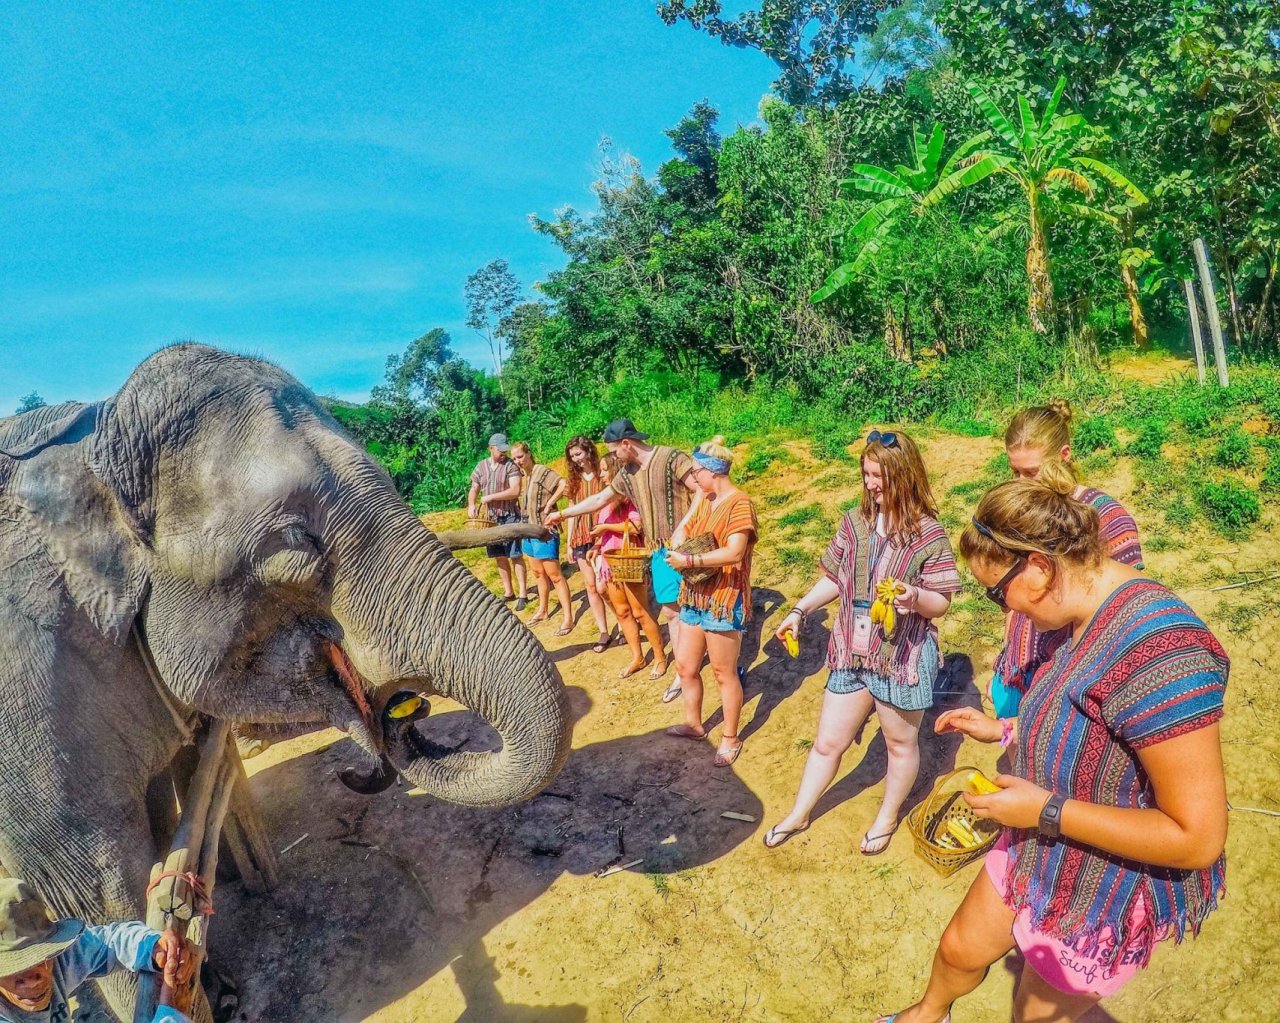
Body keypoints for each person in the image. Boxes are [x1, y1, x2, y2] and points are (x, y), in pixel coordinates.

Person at [874, 479, 1228, 1023]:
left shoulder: (1162, 653)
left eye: (997, 592)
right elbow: (1092, 727)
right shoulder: (1080, 614)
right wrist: (1005, 732)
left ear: (1038, 567)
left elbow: (1197, 838)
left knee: (1033, 1015)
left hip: (1101, 883)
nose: (1003, 610)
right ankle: (927, 1013)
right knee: (959, 949)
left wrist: (1045, 810)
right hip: (1041, 842)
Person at [766, 429, 961, 853]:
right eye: (867, 474)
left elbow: (941, 602)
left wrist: (914, 597)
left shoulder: (929, 535)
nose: (871, 484)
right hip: (852, 654)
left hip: (900, 657)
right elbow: (834, 578)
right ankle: (800, 813)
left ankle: (887, 818)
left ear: (905, 477)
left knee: (899, 743)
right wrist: (799, 611)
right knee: (827, 742)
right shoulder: (854, 523)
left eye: (880, 476)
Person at [992, 401, 1144, 718]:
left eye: (1032, 472)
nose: (1021, 483)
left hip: (1069, 680)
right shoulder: (1020, 511)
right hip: (1018, 669)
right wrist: (1009, 637)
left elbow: (1124, 608)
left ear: (1064, 455)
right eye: (1014, 471)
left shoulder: (1103, 517)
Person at [547, 419, 698, 684]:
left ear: (626, 443)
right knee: (672, 612)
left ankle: (700, 659)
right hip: (658, 552)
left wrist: (684, 526)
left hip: (688, 546)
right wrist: (562, 514)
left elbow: (700, 490)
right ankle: (684, 672)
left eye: (615, 450)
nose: (614, 456)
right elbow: (599, 499)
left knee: (694, 606)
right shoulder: (628, 473)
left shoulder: (672, 457)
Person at [662, 437, 758, 767]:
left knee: (722, 672)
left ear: (711, 471)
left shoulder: (739, 504)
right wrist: (681, 531)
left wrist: (689, 563)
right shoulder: (707, 498)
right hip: (695, 597)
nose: (692, 478)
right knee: (686, 666)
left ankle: (731, 737)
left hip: (723, 599)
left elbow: (734, 552)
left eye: (695, 472)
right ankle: (694, 724)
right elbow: (689, 523)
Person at [0, 878, 196, 1023]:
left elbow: (108, 941)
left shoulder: (58, 959)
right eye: (13, 968)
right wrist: (171, 1016)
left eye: (40, 957)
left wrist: (154, 948)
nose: (30, 978)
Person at [590, 453, 667, 678]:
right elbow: (604, 530)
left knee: (640, 612)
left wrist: (605, 529)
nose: (601, 474)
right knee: (623, 613)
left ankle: (660, 657)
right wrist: (597, 545)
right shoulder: (605, 502)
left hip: (629, 561)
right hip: (609, 562)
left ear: (614, 471)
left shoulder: (629, 498)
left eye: (604, 470)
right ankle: (638, 657)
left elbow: (635, 527)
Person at [511, 442, 574, 636]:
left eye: (520, 457)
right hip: (529, 531)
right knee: (538, 573)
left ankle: (568, 618)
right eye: (514, 459)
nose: (518, 461)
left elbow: (563, 484)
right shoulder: (526, 476)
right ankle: (543, 610)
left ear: (529, 454)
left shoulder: (541, 471)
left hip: (545, 531)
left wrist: (550, 505)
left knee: (555, 575)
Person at [555, 436, 612, 652]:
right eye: (572, 456)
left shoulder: (603, 473)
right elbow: (570, 512)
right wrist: (569, 543)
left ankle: (626, 623)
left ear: (588, 451)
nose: (576, 459)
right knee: (590, 586)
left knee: (604, 585)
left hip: (600, 535)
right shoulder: (574, 479)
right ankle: (604, 631)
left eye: (578, 454)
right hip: (580, 536)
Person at [468, 433, 528, 611]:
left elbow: (515, 491)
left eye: (504, 449)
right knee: (499, 557)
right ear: (491, 448)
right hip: (491, 520)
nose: (503, 453)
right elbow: (474, 488)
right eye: (499, 450)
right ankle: (508, 591)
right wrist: (471, 504)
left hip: (509, 515)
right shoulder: (481, 467)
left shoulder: (510, 466)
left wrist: (490, 497)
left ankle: (523, 593)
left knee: (515, 555)